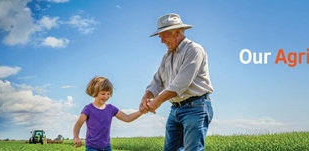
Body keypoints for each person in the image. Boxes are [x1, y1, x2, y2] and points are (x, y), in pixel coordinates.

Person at [139, 13, 214, 151]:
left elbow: (180, 83)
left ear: (177, 32)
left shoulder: (194, 50)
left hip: (195, 107)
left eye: (164, 35)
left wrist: (157, 102)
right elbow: (158, 81)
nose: (161, 40)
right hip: (175, 109)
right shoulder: (167, 57)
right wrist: (146, 97)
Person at [73, 76, 147, 151]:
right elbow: (78, 124)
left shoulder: (111, 109)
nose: (106, 96)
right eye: (103, 93)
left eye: (108, 94)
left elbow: (127, 118)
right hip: (92, 147)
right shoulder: (88, 109)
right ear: (94, 92)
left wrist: (141, 112)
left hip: (106, 147)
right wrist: (76, 137)